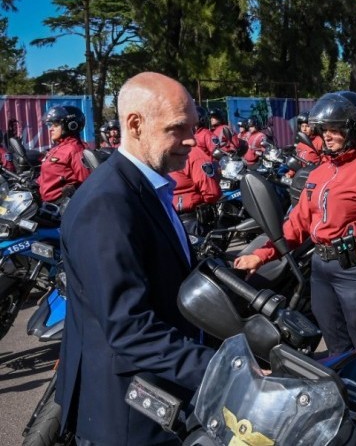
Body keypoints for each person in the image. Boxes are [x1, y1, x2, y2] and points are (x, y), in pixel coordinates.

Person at [56, 72, 215, 445]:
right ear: (135, 124)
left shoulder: (146, 186)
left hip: (155, 395)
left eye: (194, 126)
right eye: (178, 128)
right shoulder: (108, 204)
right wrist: (223, 370)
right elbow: (130, 328)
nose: (192, 139)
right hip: (127, 417)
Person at [233, 91, 356, 356]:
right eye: (324, 129)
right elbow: (297, 225)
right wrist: (261, 255)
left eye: (335, 129)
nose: (326, 135)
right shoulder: (318, 173)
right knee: (334, 338)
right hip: (321, 267)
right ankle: (347, 390)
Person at [38, 105, 90, 203]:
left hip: (61, 208)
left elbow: (87, 182)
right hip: (46, 205)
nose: (50, 129)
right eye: (50, 125)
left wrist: (73, 191)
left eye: (56, 125)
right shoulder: (57, 148)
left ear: (71, 125)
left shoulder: (75, 149)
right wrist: (36, 183)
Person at [169, 143, 222, 235]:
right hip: (191, 220)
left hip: (167, 217)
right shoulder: (193, 153)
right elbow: (211, 192)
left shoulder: (157, 153)